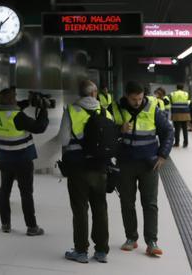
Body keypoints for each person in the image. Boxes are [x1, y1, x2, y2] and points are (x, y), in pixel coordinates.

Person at [111, 81, 173, 257]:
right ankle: (131, 238)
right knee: (127, 202)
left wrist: (163, 155)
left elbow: (168, 131)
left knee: (150, 203)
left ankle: (152, 241)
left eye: (140, 98)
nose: (137, 102)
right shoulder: (115, 108)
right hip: (125, 163)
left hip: (149, 164)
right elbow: (105, 131)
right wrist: (118, 129)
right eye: (133, 99)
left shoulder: (152, 107)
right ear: (126, 96)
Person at [61, 79, 115, 263]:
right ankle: (101, 251)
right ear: (94, 93)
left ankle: (81, 251)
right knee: (100, 208)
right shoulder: (106, 112)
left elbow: (63, 140)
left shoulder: (71, 111)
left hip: (77, 168)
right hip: (100, 167)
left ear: (80, 93)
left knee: (80, 209)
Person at [0, 87, 49, 236]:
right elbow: (40, 127)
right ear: (11, 100)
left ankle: (5, 224)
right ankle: (32, 227)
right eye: (14, 97)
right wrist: (44, 109)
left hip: (4, 158)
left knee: (5, 190)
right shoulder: (18, 117)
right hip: (22, 159)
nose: (16, 99)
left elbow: (12, 109)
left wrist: (28, 102)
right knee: (26, 193)